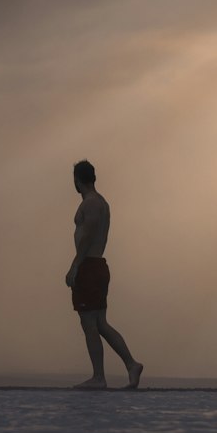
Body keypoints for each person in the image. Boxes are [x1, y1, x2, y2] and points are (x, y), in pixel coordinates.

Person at [65, 160, 144, 390]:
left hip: (89, 265)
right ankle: (131, 364)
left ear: (77, 180)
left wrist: (75, 265)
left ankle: (99, 377)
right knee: (100, 323)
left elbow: (88, 235)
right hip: (97, 265)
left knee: (89, 324)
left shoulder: (91, 203)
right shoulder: (102, 203)